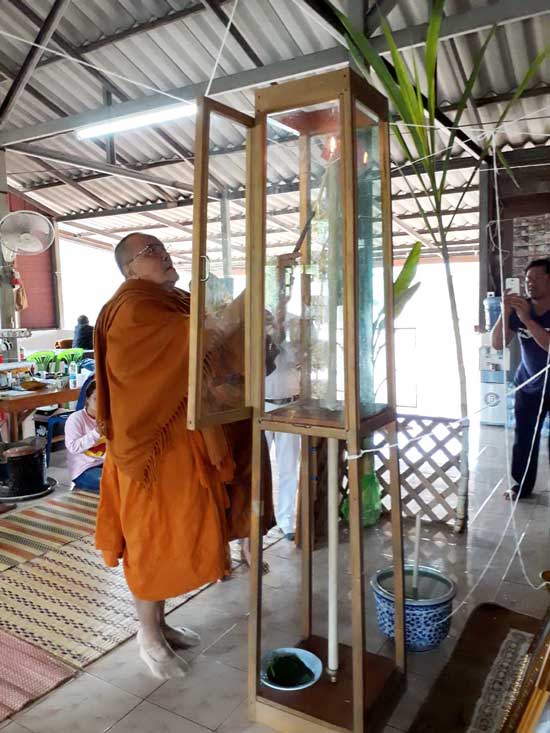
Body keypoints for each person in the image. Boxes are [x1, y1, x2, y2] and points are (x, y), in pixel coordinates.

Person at [94, 232, 258, 680]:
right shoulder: (133, 309)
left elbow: (214, 344)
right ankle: (148, 635)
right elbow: (200, 337)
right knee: (150, 540)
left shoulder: (174, 301)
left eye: (163, 248)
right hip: (148, 454)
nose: (164, 256)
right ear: (129, 268)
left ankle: (161, 625)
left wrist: (250, 314)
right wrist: (248, 298)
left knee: (170, 536)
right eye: (151, 252)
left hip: (178, 449)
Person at [492, 258, 550, 500]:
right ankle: (521, 487)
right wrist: (505, 313)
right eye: (527, 280)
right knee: (524, 439)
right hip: (527, 385)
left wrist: (527, 320)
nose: (529, 284)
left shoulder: (527, 314)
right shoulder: (521, 307)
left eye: (535, 279)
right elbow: (498, 343)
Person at [264, 323, 301, 541]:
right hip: (262, 406)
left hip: (290, 407)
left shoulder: (290, 346)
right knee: (259, 466)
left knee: (288, 466)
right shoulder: (259, 345)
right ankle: (256, 518)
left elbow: (301, 362)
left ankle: (285, 520)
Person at [64, 380, 105, 492]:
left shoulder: (108, 418)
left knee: (130, 477)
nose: (101, 403)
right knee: (110, 481)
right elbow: (73, 447)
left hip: (105, 464)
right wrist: (96, 433)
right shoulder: (76, 419)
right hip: (84, 469)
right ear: (87, 399)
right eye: (96, 399)